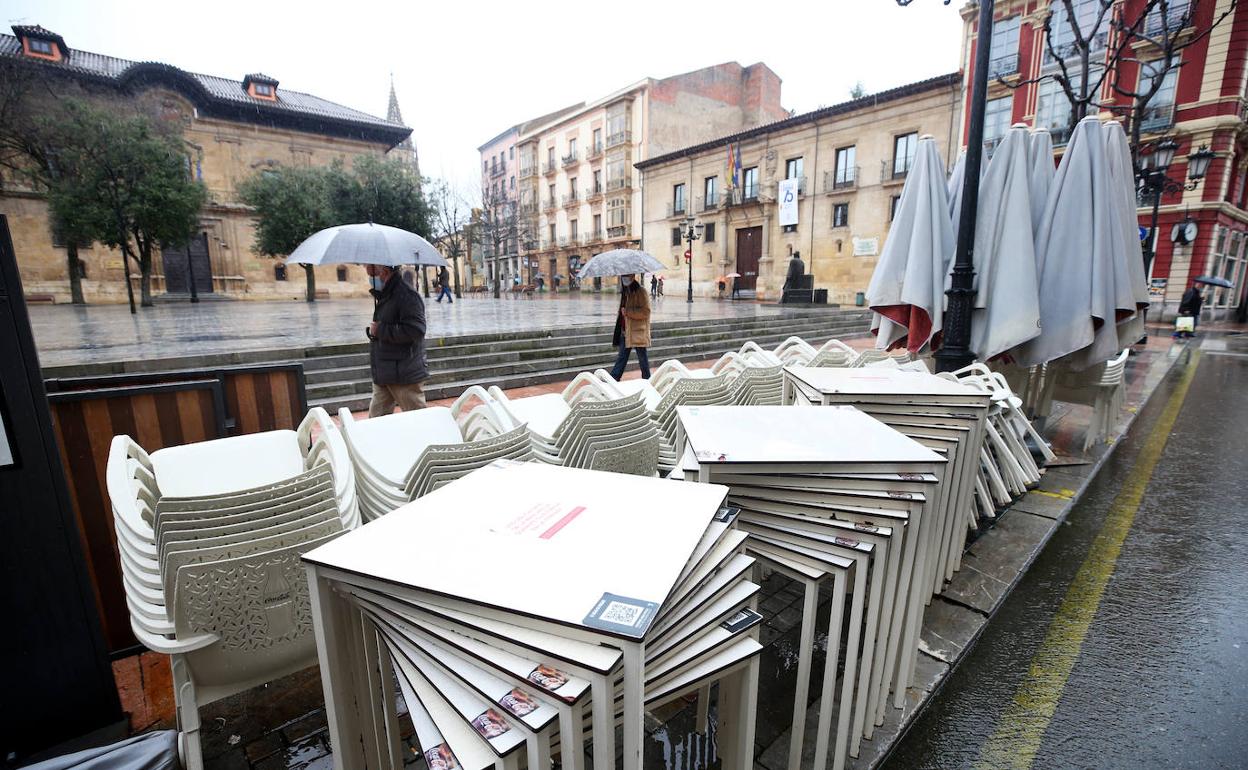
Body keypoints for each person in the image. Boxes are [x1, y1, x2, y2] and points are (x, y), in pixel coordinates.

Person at [365, 263, 428, 417]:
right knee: (375, 423)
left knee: (419, 420)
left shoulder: (406, 295)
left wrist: (380, 330)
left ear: (384, 272)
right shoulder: (386, 295)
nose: (370, 278)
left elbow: (416, 330)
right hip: (384, 372)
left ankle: (428, 441)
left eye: (371, 274)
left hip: (404, 374)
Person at [610, 274, 651, 380]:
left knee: (643, 359)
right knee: (621, 358)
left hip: (638, 332)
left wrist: (628, 312)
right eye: (623, 276)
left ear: (632, 276)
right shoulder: (625, 292)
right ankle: (613, 379)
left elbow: (646, 312)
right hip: (626, 331)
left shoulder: (641, 291)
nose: (624, 278)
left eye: (627, 276)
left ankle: (647, 380)